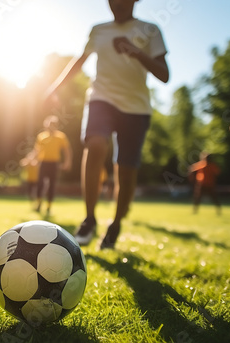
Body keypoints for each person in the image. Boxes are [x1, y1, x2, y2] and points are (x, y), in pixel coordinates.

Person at [45, 0, 169, 248]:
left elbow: (164, 75)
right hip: (101, 99)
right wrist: (55, 87)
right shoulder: (98, 30)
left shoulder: (150, 30)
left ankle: (115, 224)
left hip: (136, 108)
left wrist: (136, 51)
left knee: (126, 169)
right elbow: (80, 61)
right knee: (96, 144)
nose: (117, 3)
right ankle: (89, 219)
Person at [34, 115, 72, 216]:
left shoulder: (61, 136)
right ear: (46, 125)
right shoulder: (41, 136)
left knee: (52, 185)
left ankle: (49, 206)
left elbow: (67, 150)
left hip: (54, 163)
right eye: (50, 124)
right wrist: (34, 160)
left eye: (54, 124)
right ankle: (38, 204)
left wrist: (67, 162)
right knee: (40, 183)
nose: (52, 126)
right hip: (43, 162)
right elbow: (37, 150)